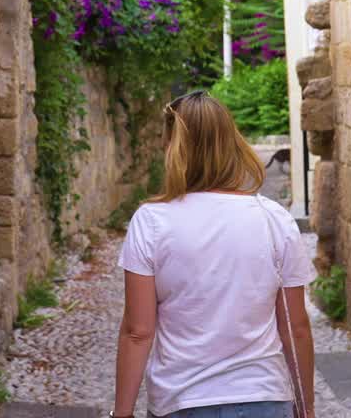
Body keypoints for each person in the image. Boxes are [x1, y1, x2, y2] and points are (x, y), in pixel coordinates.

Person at [109, 90, 317, 418]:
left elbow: (138, 331)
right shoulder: (274, 219)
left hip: (181, 400)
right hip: (264, 397)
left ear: (171, 148)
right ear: (231, 145)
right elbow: (296, 328)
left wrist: (121, 413)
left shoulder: (151, 221)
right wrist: (307, 409)